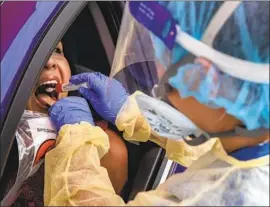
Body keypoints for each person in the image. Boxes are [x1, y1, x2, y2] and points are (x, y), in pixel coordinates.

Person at [44, 1, 269, 206]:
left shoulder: (223, 197)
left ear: (204, 78)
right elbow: (210, 147)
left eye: (164, 55)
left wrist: (76, 143)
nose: (158, 69)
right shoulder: (250, 136)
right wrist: (130, 113)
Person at [1, 42, 128, 206]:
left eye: (56, 50)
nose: (48, 62)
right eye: (24, 51)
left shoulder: (105, 149)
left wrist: (78, 140)